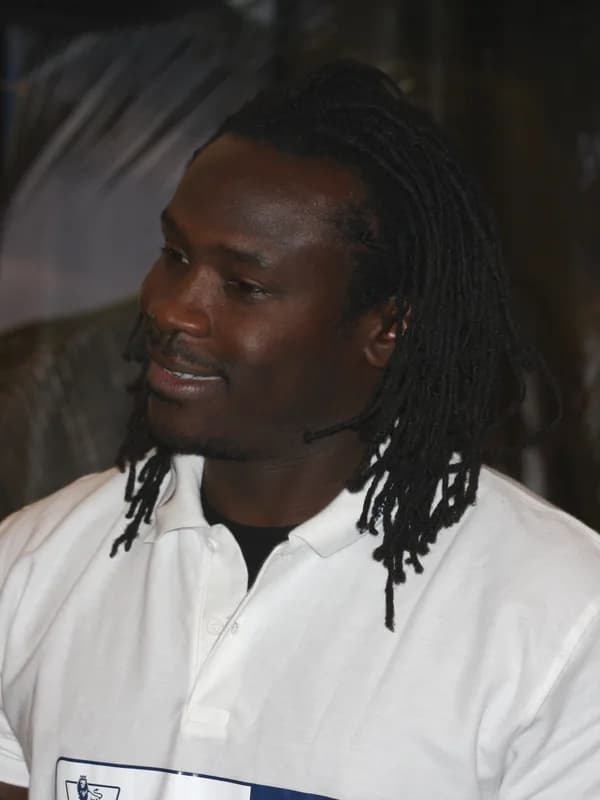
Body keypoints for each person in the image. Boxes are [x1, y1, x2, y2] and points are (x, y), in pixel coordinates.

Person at [0, 60, 599, 800]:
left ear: (386, 328)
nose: (172, 308)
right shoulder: (33, 564)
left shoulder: (562, 615)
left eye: (244, 286)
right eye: (175, 255)